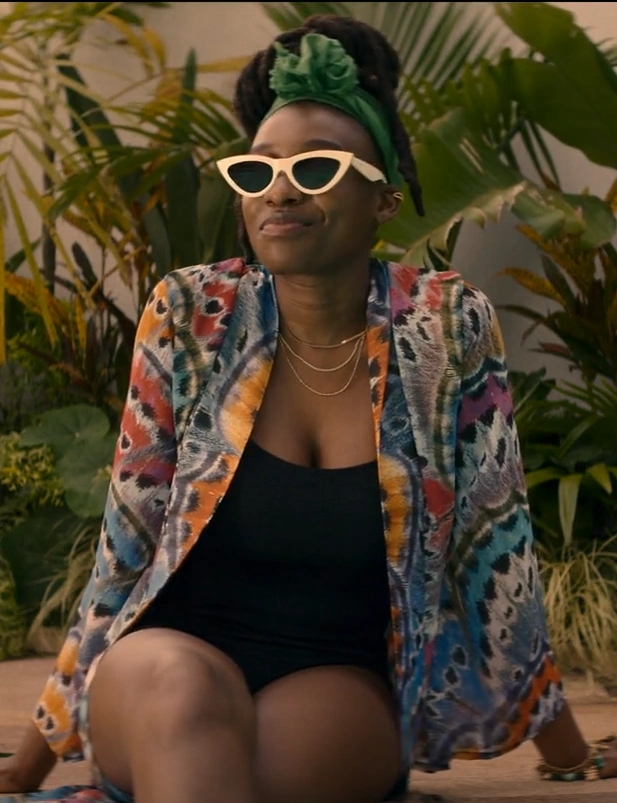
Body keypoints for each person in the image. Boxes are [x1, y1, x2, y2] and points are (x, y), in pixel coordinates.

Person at [1, 13, 616, 803]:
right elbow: (125, 545)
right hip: (165, 657)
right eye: (256, 172)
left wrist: (566, 753)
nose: (280, 190)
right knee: (182, 694)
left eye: (317, 167)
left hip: (336, 674)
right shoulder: (191, 314)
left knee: (246, 770)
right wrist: (23, 767)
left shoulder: (443, 327)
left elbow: (491, 548)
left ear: (384, 198)